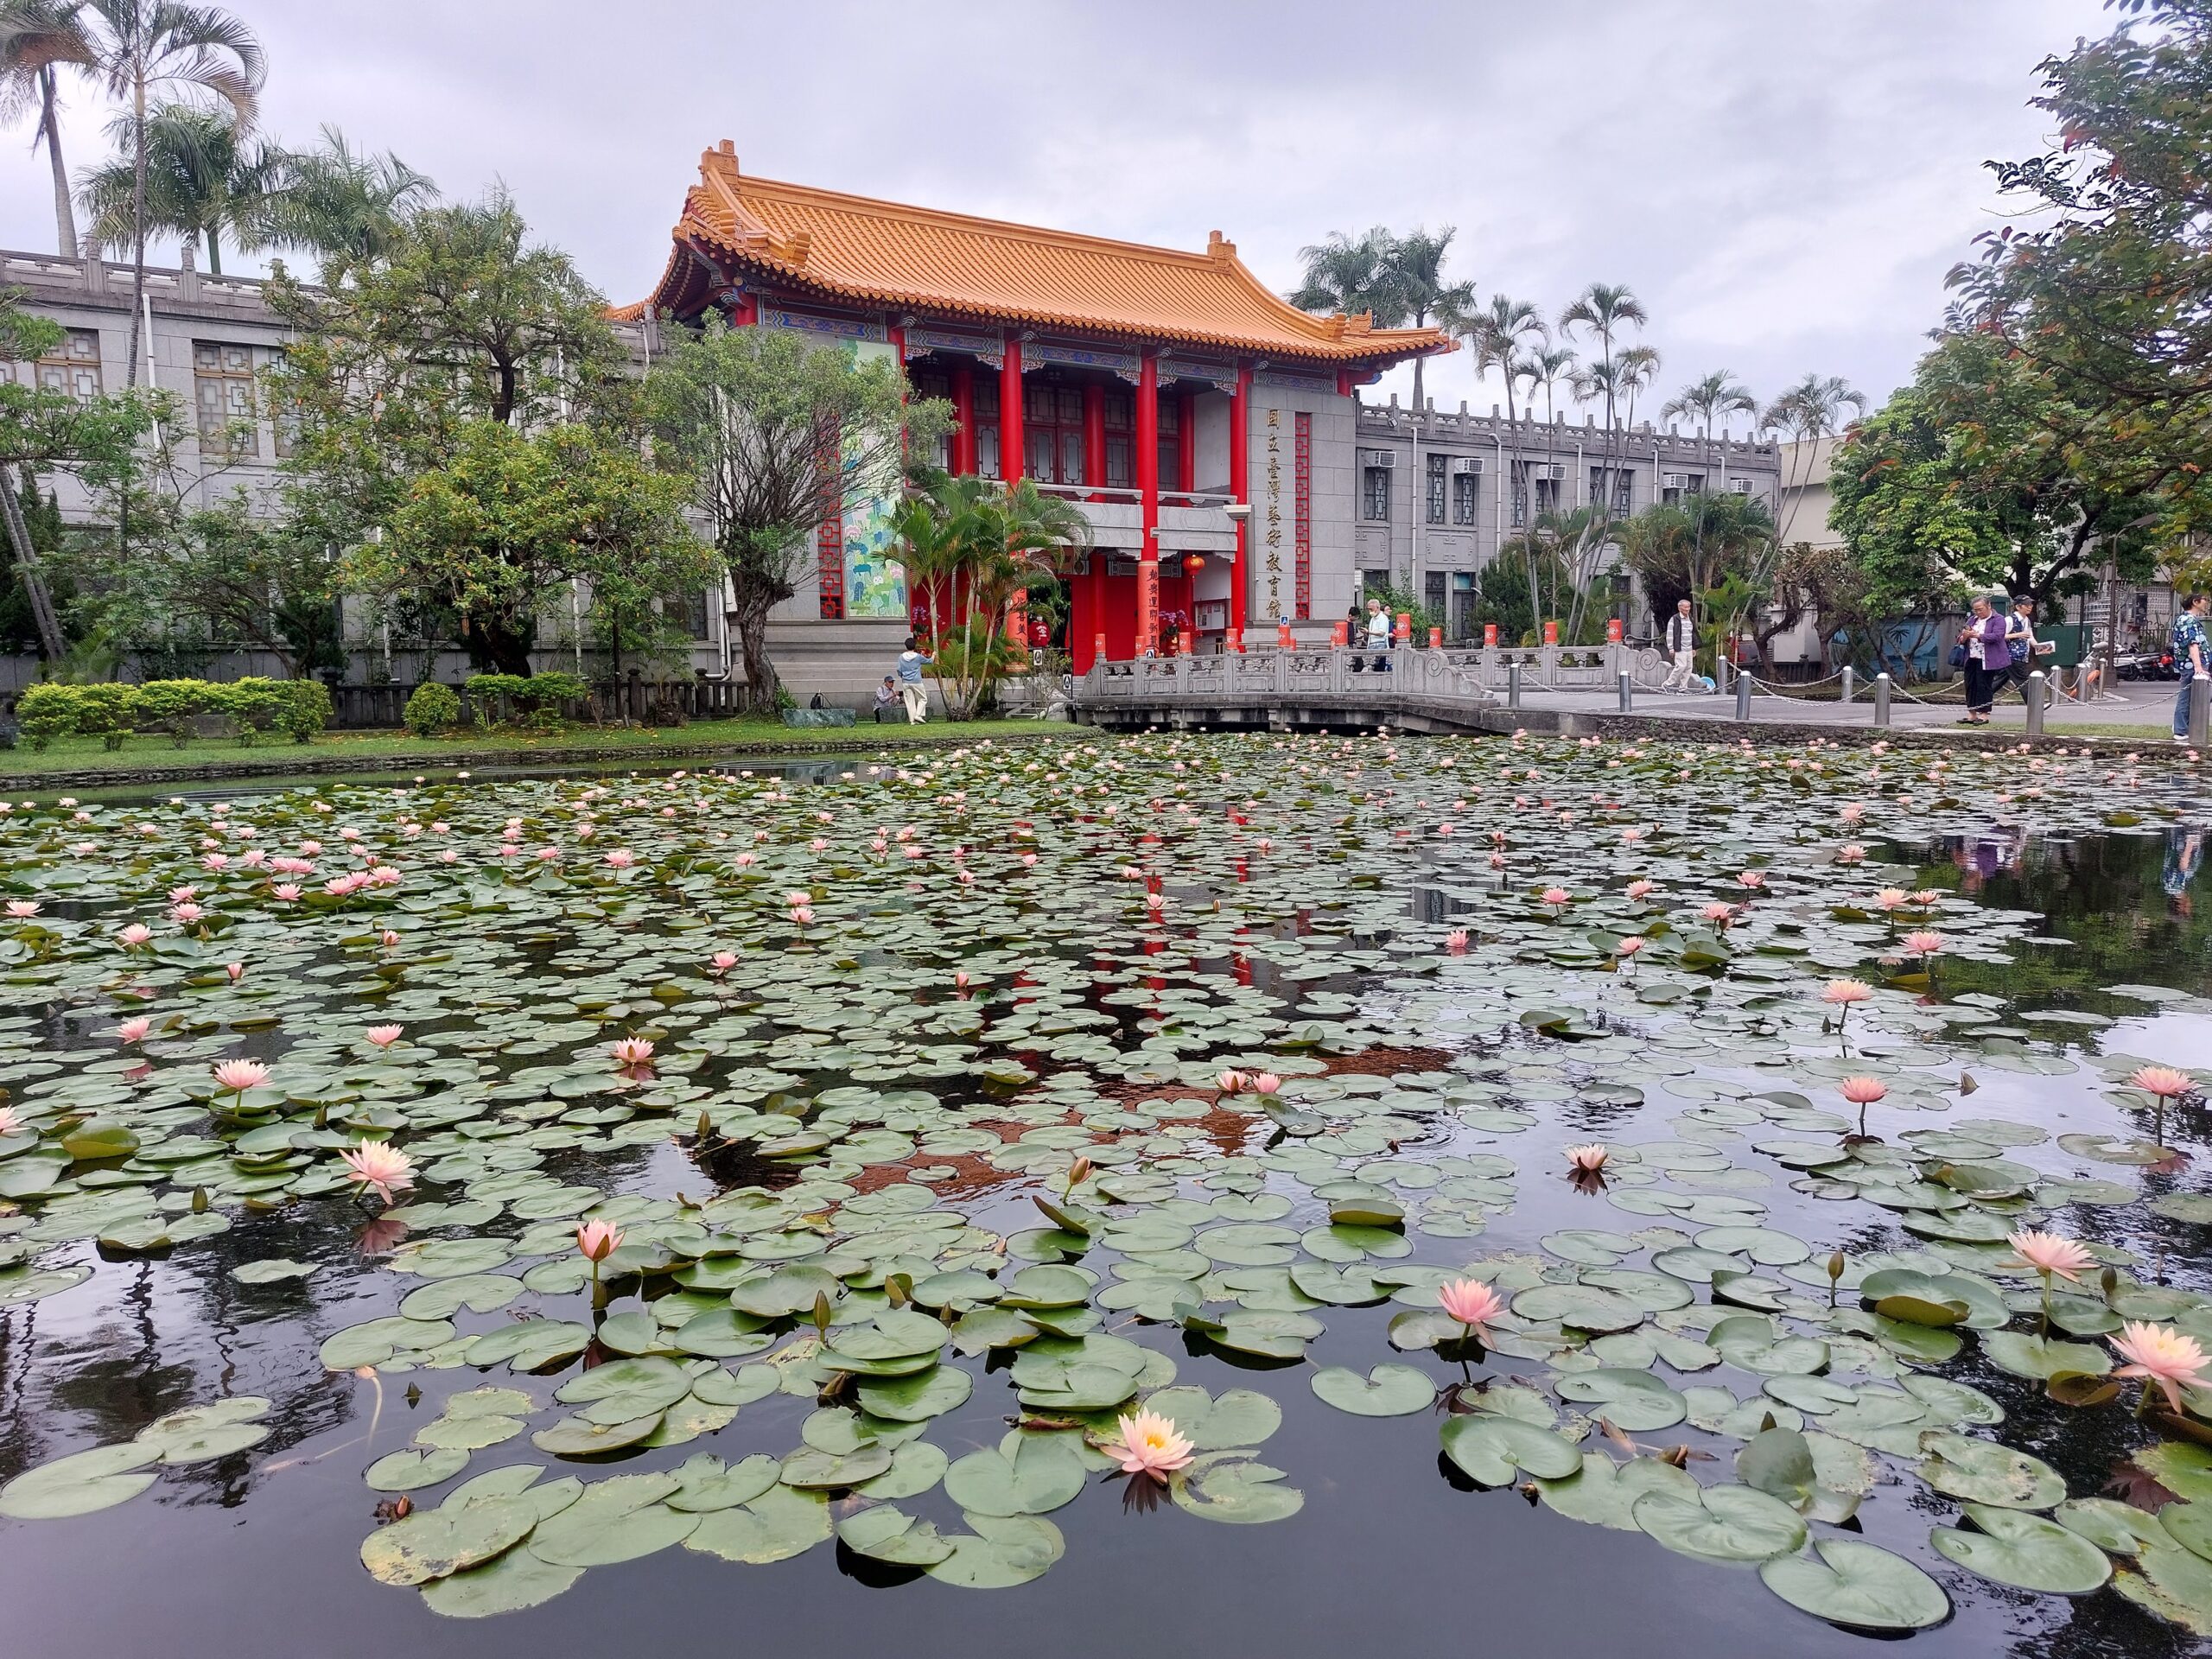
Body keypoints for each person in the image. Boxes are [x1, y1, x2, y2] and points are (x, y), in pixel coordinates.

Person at [1956, 594, 2009, 724]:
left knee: (1983, 685)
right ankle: (1972, 713)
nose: (1978, 612)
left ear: (1989, 606)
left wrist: (1977, 635)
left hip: (1987, 658)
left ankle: (1984, 714)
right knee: (1970, 684)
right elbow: (1961, 637)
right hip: (1971, 656)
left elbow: (1997, 636)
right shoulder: (1972, 619)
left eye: (1980, 609)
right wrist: (1964, 637)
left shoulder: (1998, 619)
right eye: (1976, 610)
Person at [2172, 593, 2209, 742]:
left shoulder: (2189, 620)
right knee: (2186, 696)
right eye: (2205, 600)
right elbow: (2192, 644)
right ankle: (2180, 729)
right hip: (2191, 666)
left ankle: (2183, 726)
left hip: (2192, 665)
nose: (2206, 603)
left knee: (2195, 696)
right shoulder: (2188, 621)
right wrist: (2198, 666)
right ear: (2195, 602)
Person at [894, 636, 933, 724]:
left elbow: (899, 670)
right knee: (923, 699)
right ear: (915, 646)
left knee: (909, 702)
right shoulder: (918, 657)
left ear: (906, 646)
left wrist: (903, 677)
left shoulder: (901, 657)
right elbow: (930, 661)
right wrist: (934, 655)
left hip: (905, 682)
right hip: (917, 681)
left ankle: (912, 721)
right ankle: (918, 715)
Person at [1662, 599, 1699, 692]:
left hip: (1689, 648)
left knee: (1688, 668)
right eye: (1685, 607)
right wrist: (1671, 648)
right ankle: (1667, 684)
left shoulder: (1690, 618)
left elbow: (1693, 633)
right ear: (1680, 608)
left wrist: (1694, 648)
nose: (1687, 609)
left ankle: (1683, 687)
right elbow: (1670, 634)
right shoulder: (1674, 619)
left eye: (1688, 607)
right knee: (1681, 666)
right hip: (1680, 648)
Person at [1363, 596, 1393, 672]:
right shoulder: (1372, 619)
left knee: (1380, 669)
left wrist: (1368, 632)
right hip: (1371, 646)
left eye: (1371, 609)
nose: (1370, 611)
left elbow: (1381, 633)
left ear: (1377, 607)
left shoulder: (1383, 618)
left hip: (1380, 647)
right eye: (1369, 609)